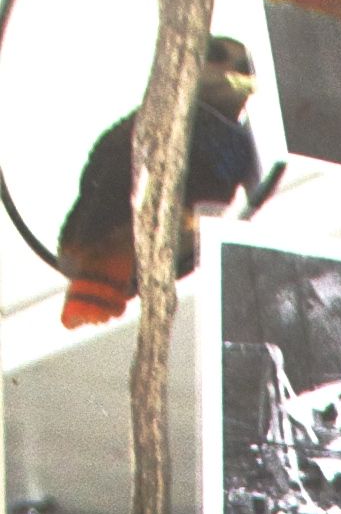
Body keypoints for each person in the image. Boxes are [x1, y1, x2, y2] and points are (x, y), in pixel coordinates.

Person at [56, 35, 260, 329]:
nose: (233, 72)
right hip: (128, 236)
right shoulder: (162, 121)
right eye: (216, 56)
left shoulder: (233, 135)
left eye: (244, 67)